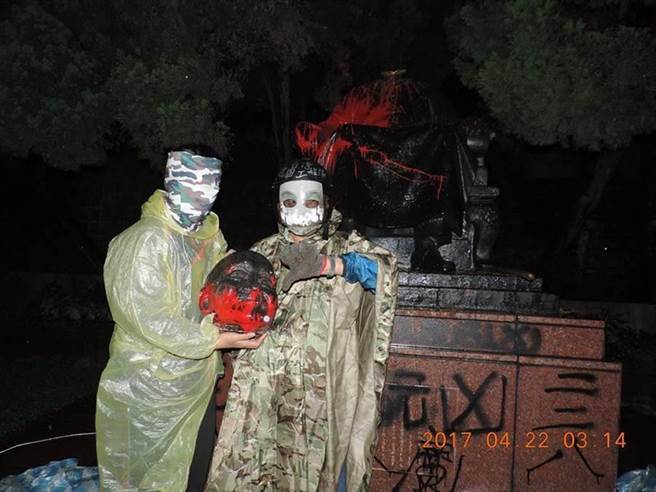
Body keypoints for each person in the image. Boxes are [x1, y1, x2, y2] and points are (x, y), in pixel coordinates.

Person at [206, 158, 398, 491]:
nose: (300, 210)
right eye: (289, 201)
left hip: (321, 401)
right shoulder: (263, 251)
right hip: (263, 395)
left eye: (311, 201)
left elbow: (383, 273)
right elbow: (233, 317)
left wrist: (330, 264)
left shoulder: (348, 247)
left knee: (319, 476)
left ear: (327, 203)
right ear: (277, 205)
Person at [95, 145, 266, 492]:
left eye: (209, 185)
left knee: (192, 473)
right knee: (147, 480)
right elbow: (150, 319)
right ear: (170, 180)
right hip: (149, 388)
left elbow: (213, 292)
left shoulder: (207, 237)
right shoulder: (144, 241)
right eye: (190, 182)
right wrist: (216, 339)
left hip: (196, 382)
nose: (200, 195)